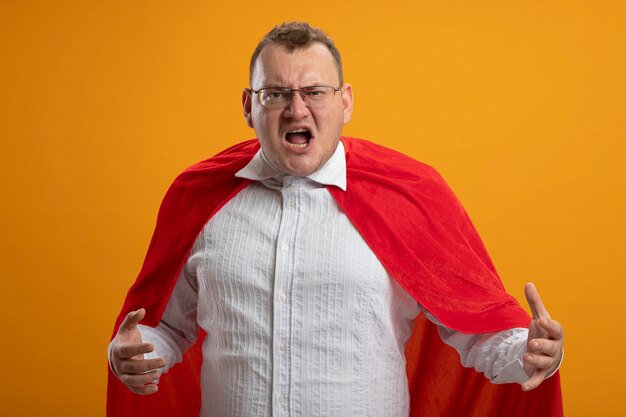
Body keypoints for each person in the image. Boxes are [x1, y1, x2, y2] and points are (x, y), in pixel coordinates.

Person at [107, 22, 564, 417]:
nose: (296, 108)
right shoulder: (199, 198)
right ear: (248, 106)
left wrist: (527, 351)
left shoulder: (407, 196)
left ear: (345, 102)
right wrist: (135, 352)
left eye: (314, 92)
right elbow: (166, 326)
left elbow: (474, 329)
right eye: (276, 93)